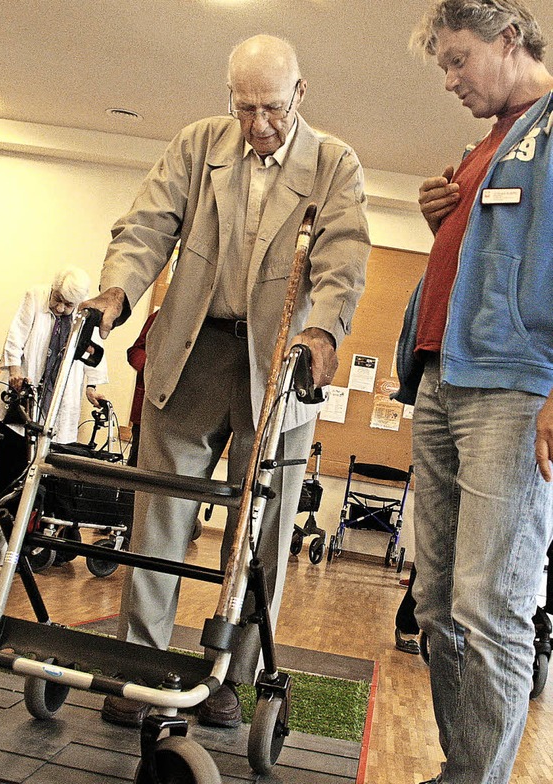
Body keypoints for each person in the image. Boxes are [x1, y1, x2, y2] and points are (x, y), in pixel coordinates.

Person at [86, 33, 370, 730]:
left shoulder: (334, 163)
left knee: (262, 535)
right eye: (245, 108)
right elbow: (147, 225)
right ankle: (142, 669)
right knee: (160, 516)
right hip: (193, 354)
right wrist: (116, 293)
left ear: (299, 95)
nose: (259, 125)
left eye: (272, 108)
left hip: (281, 365)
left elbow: (344, 257)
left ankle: (225, 680)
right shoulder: (199, 145)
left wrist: (323, 331)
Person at [400, 3, 553, 782]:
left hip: (514, 390)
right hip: (441, 377)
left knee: (490, 609)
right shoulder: (484, 147)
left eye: (459, 60)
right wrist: (444, 223)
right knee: (436, 605)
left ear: (509, 38)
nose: (451, 79)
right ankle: (466, 769)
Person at [0, 267, 109, 501]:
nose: (60, 308)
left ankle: (31, 524)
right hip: (22, 393)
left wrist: (92, 388)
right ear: (53, 289)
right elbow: (15, 335)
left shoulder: (86, 314)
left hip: (57, 399)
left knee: (45, 466)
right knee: (12, 460)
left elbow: (94, 355)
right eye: (58, 300)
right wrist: (15, 369)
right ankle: (0, 516)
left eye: (68, 305)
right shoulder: (36, 296)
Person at [125, 310, 157, 467]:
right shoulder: (160, 316)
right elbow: (134, 352)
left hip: (182, 413)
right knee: (137, 463)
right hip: (147, 405)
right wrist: (151, 367)